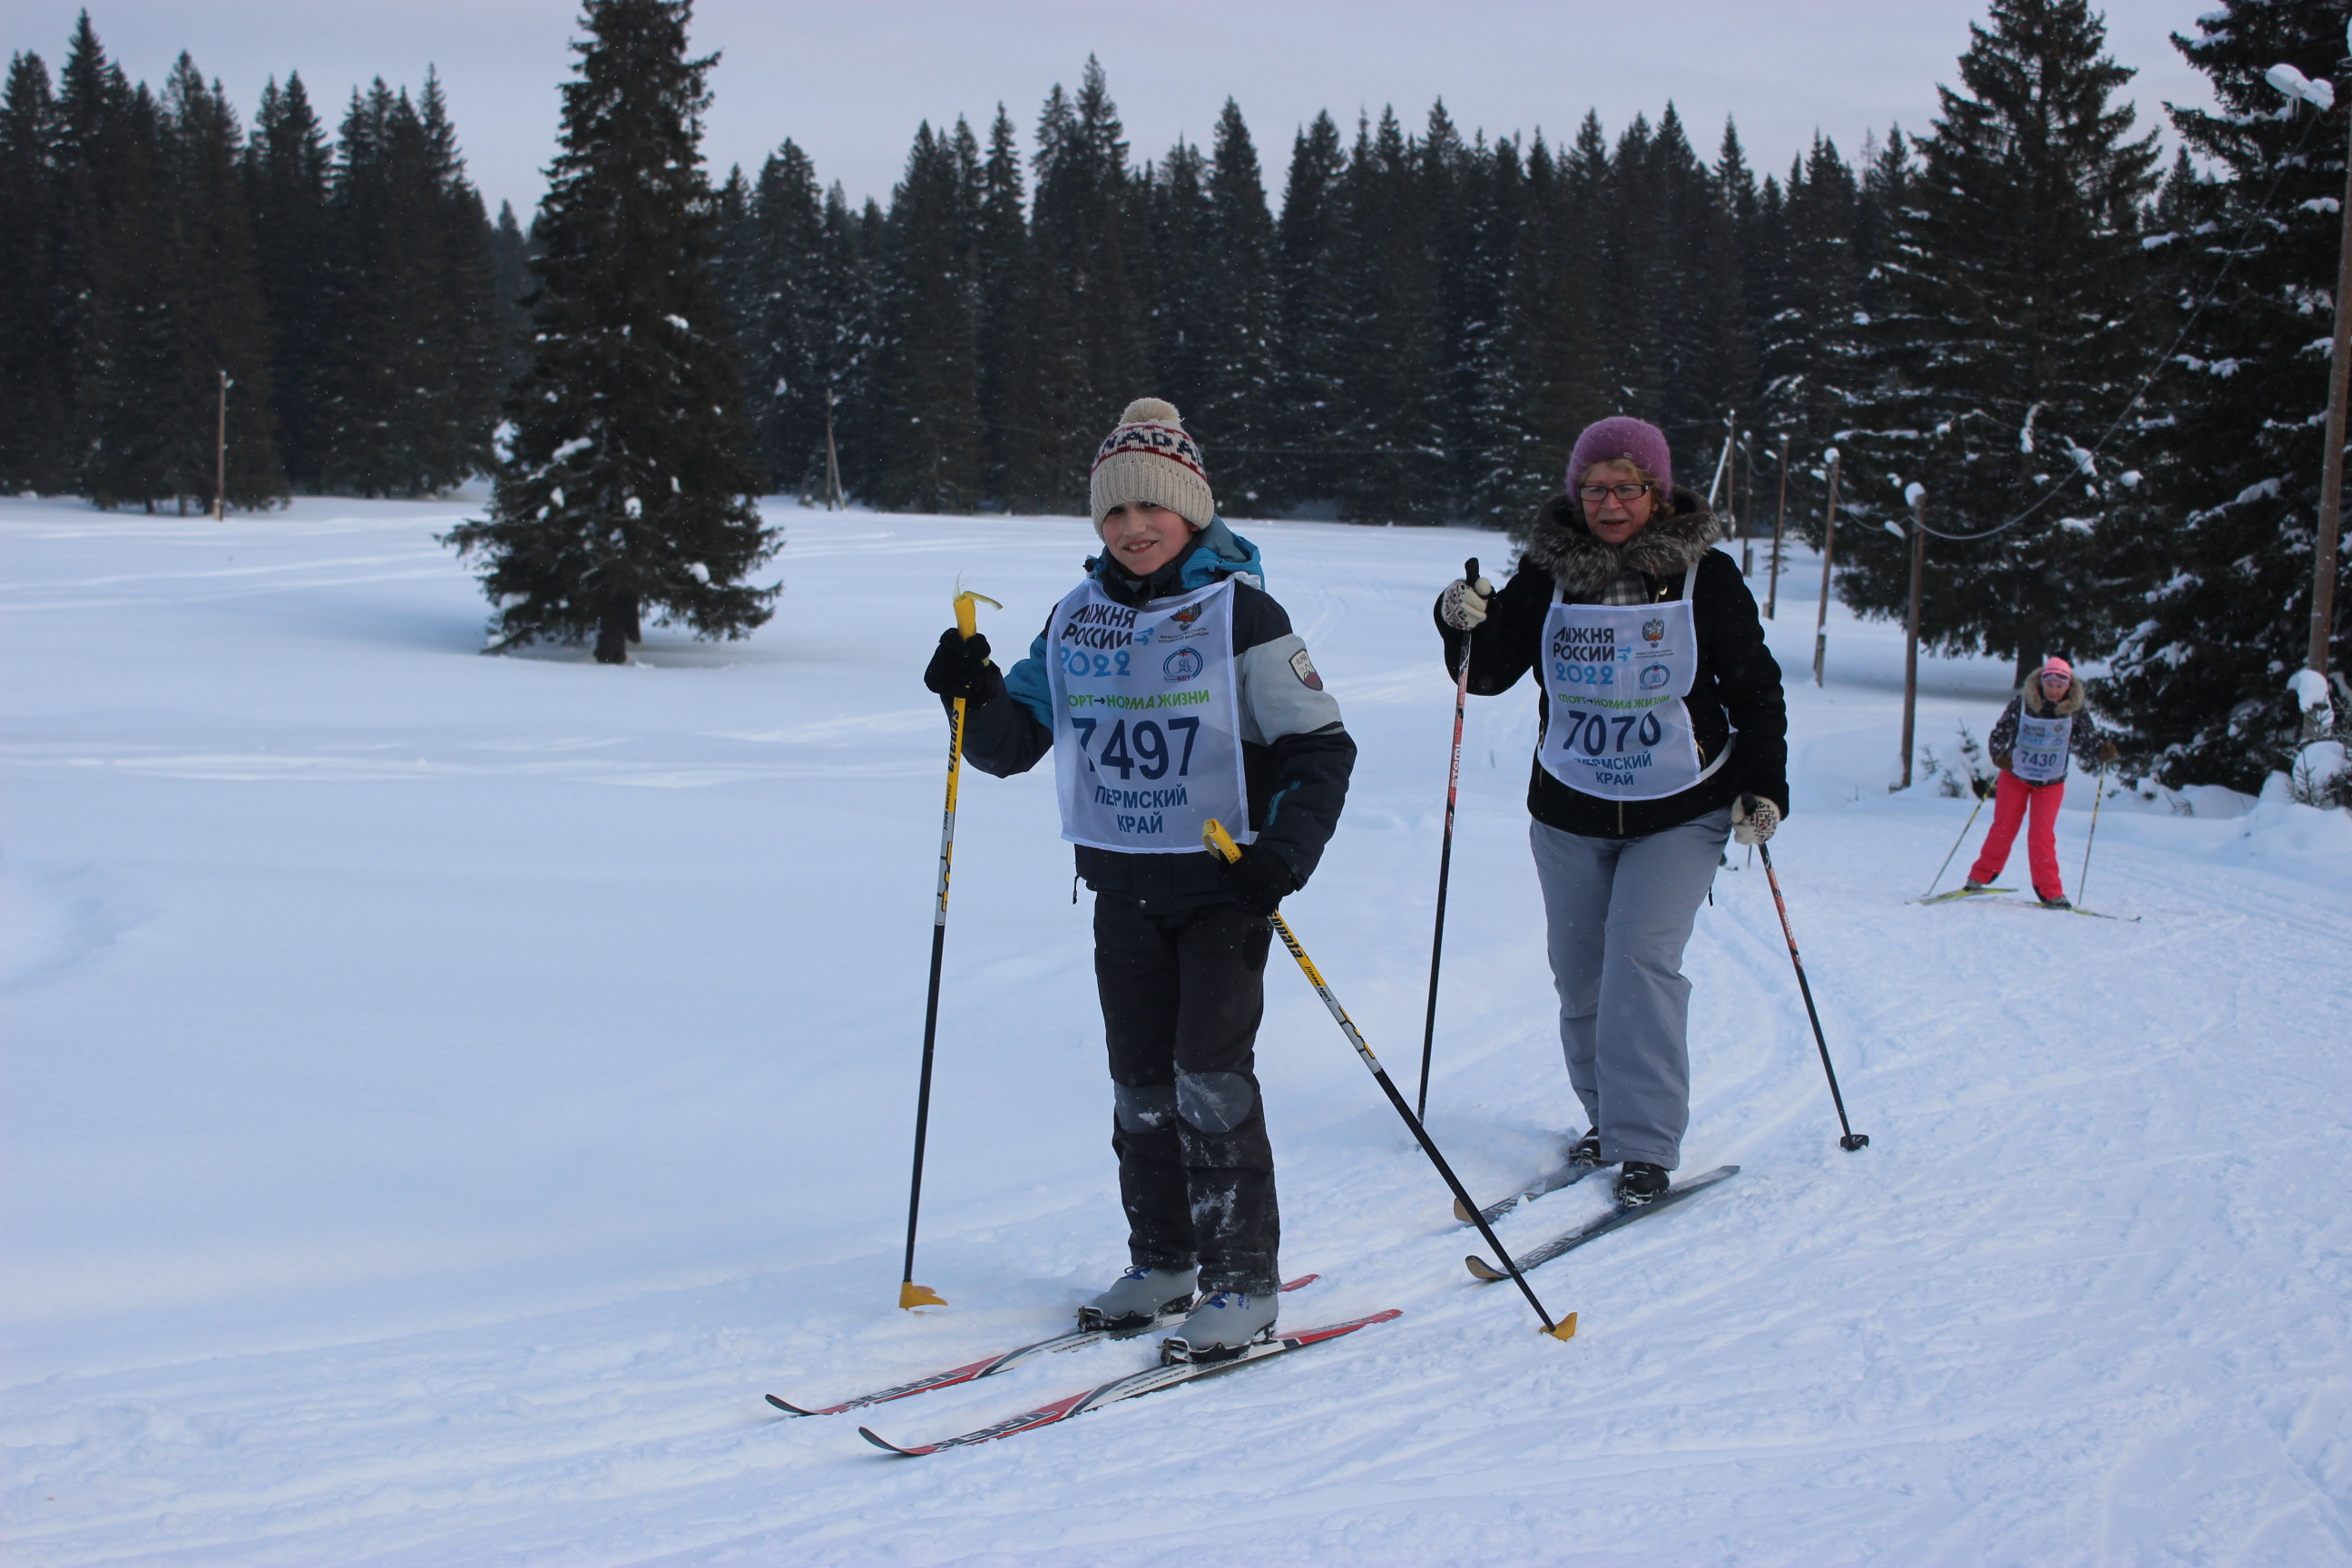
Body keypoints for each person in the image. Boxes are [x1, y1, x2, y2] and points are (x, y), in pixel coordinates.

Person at [922, 398, 1355, 1361]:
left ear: (1192, 511)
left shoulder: (1244, 611)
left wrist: (1282, 858)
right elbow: (1010, 746)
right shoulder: (1076, 619)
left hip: (1221, 893)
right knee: (1141, 1088)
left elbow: (1322, 749)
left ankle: (1242, 1280)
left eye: (1150, 509)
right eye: (1113, 514)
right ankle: (1163, 1260)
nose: (1132, 528)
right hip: (1122, 892)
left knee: (1210, 1079)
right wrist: (972, 694)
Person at [1434, 416, 1787, 1205]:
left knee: (1640, 960)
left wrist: (1765, 786)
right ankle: (1605, 1117)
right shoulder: (1544, 575)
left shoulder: (1708, 576)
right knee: (1582, 973)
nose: (1609, 503)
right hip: (1570, 806)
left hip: (1681, 804)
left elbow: (1755, 689)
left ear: (1657, 494)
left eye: (1627, 487)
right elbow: (1484, 675)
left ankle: (1646, 1142)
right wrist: (1457, 619)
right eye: (1594, 488)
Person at [1965, 656, 2118, 908]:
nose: (2054, 691)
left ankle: (2051, 892)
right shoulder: (2023, 704)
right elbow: (2000, 732)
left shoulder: (2075, 711)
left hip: (2050, 783)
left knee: (2042, 836)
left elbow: (2088, 740)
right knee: (2003, 829)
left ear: (2068, 687)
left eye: (2059, 686)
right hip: (2015, 778)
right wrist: (1999, 755)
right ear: (2041, 684)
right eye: (2050, 685)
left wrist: (2101, 751)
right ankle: (1978, 878)